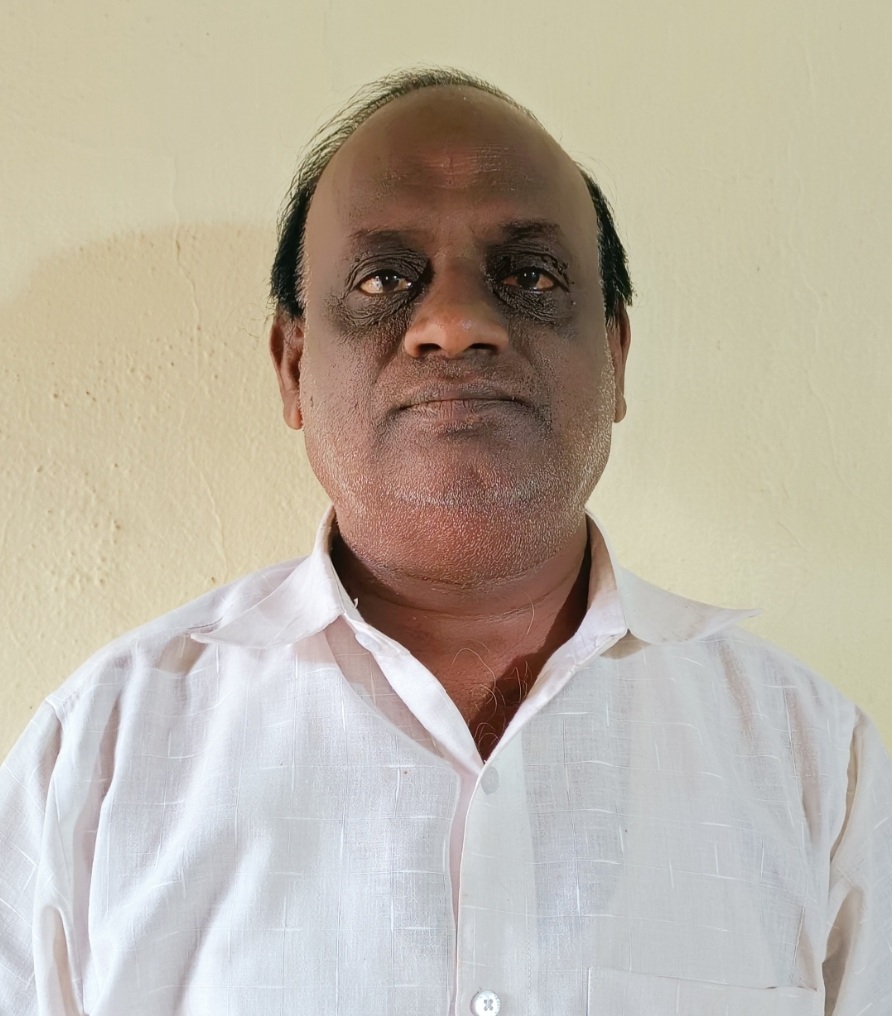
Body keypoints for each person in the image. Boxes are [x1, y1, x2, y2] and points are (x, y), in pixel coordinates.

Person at [1, 67, 890, 1016]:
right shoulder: (95, 765)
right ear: (294, 367)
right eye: (385, 280)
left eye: (531, 277)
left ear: (616, 355)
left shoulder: (816, 767)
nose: (457, 324)